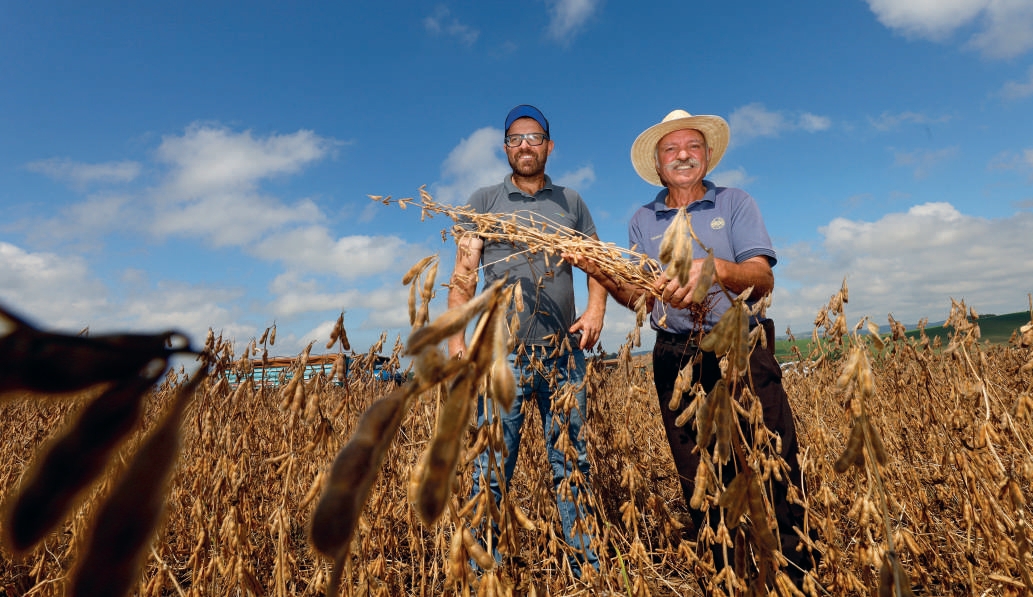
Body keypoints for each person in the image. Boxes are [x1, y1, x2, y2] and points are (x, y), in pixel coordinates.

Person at [569, 109, 815, 586]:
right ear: (659, 165)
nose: (682, 155)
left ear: (705, 156)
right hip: (676, 354)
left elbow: (762, 279)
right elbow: (640, 298)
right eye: (671, 149)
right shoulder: (642, 219)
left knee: (774, 458)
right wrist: (598, 271)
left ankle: (799, 572)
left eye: (692, 147)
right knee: (698, 467)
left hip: (741, 342)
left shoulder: (735, 203)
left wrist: (715, 269)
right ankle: (727, 572)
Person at [447, 104, 607, 577]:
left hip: (563, 353)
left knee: (571, 463)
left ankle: (587, 568)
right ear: (505, 149)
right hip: (502, 356)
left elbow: (597, 263)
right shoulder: (482, 201)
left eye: (534, 138)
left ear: (549, 146)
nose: (525, 146)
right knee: (492, 470)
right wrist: (457, 340)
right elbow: (464, 274)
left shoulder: (571, 202)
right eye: (515, 139)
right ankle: (485, 575)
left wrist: (596, 309)